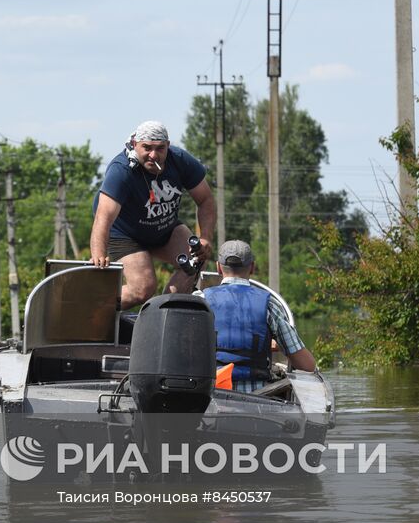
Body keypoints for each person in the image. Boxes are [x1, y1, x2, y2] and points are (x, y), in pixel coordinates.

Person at [90, 120, 216, 308]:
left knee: (197, 259)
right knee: (143, 288)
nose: (153, 155)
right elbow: (104, 216)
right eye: (146, 148)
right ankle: (89, 308)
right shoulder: (121, 170)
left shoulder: (180, 161)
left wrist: (205, 238)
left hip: (164, 227)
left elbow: (206, 200)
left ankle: (166, 310)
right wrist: (98, 254)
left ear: (168, 147)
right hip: (126, 234)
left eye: (160, 149)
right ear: (135, 145)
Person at [201, 239, 316, 392]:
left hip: (210, 396)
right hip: (257, 397)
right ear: (252, 267)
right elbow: (306, 365)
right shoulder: (270, 304)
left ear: (218, 268)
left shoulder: (200, 301)